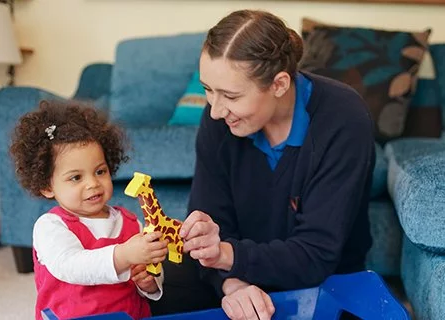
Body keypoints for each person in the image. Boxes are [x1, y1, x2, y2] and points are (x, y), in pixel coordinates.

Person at [151, 9, 375, 320]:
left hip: (321, 280)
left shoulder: (343, 118)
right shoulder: (220, 120)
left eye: (230, 95)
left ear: (279, 84)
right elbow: (211, 221)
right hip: (234, 271)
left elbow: (316, 253)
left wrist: (226, 256)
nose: (215, 110)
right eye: (208, 90)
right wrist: (233, 285)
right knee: (155, 288)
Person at [10, 100, 169, 320]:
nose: (92, 184)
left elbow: (151, 270)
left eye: (100, 172)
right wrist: (124, 254)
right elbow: (72, 265)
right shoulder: (50, 227)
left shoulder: (131, 223)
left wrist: (150, 282)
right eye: (76, 177)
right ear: (47, 186)